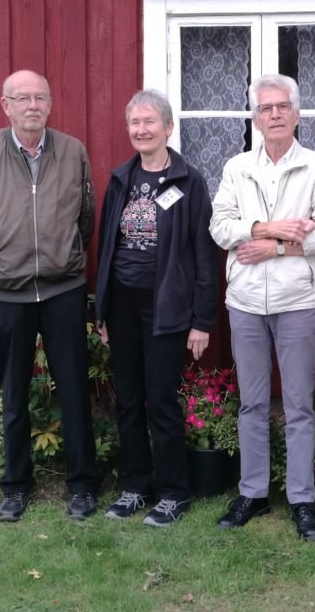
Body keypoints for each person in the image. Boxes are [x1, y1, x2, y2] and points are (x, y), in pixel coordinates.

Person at [209, 73, 315, 542]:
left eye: (282, 107)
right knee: (250, 403)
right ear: (255, 118)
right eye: (265, 108)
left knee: (297, 405)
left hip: (297, 302)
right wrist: (273, 227)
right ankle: (253, 491)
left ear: (296, 114)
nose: (274, 115)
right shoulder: (237, 168)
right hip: (245, 301)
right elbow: (220, 227)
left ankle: (302, 499)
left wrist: (280, 248)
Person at [0, 69, 100, 522]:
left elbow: (86, 218)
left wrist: (64, 257)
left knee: (75, 390)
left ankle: (82, 485)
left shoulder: (73, 151)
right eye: (22, 99)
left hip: (63, 291)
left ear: (50, 104)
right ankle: (16, 485)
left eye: (40, 97)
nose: (32, 106)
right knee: (14, 392)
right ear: (7, 106)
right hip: (6, 294)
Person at [93, 89, 218, 528]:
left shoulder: (189, 181)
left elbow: (204, 254)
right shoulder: (121, 180)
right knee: (127, 398)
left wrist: (202, 320)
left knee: (161, 398)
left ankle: (172, 493)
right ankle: (134, 486)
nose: (141, 130)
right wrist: (102, 311)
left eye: (150, 122)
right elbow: (106, 248)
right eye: (135, 123)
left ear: (168, 127)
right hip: (123, 305)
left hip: (166, 306)